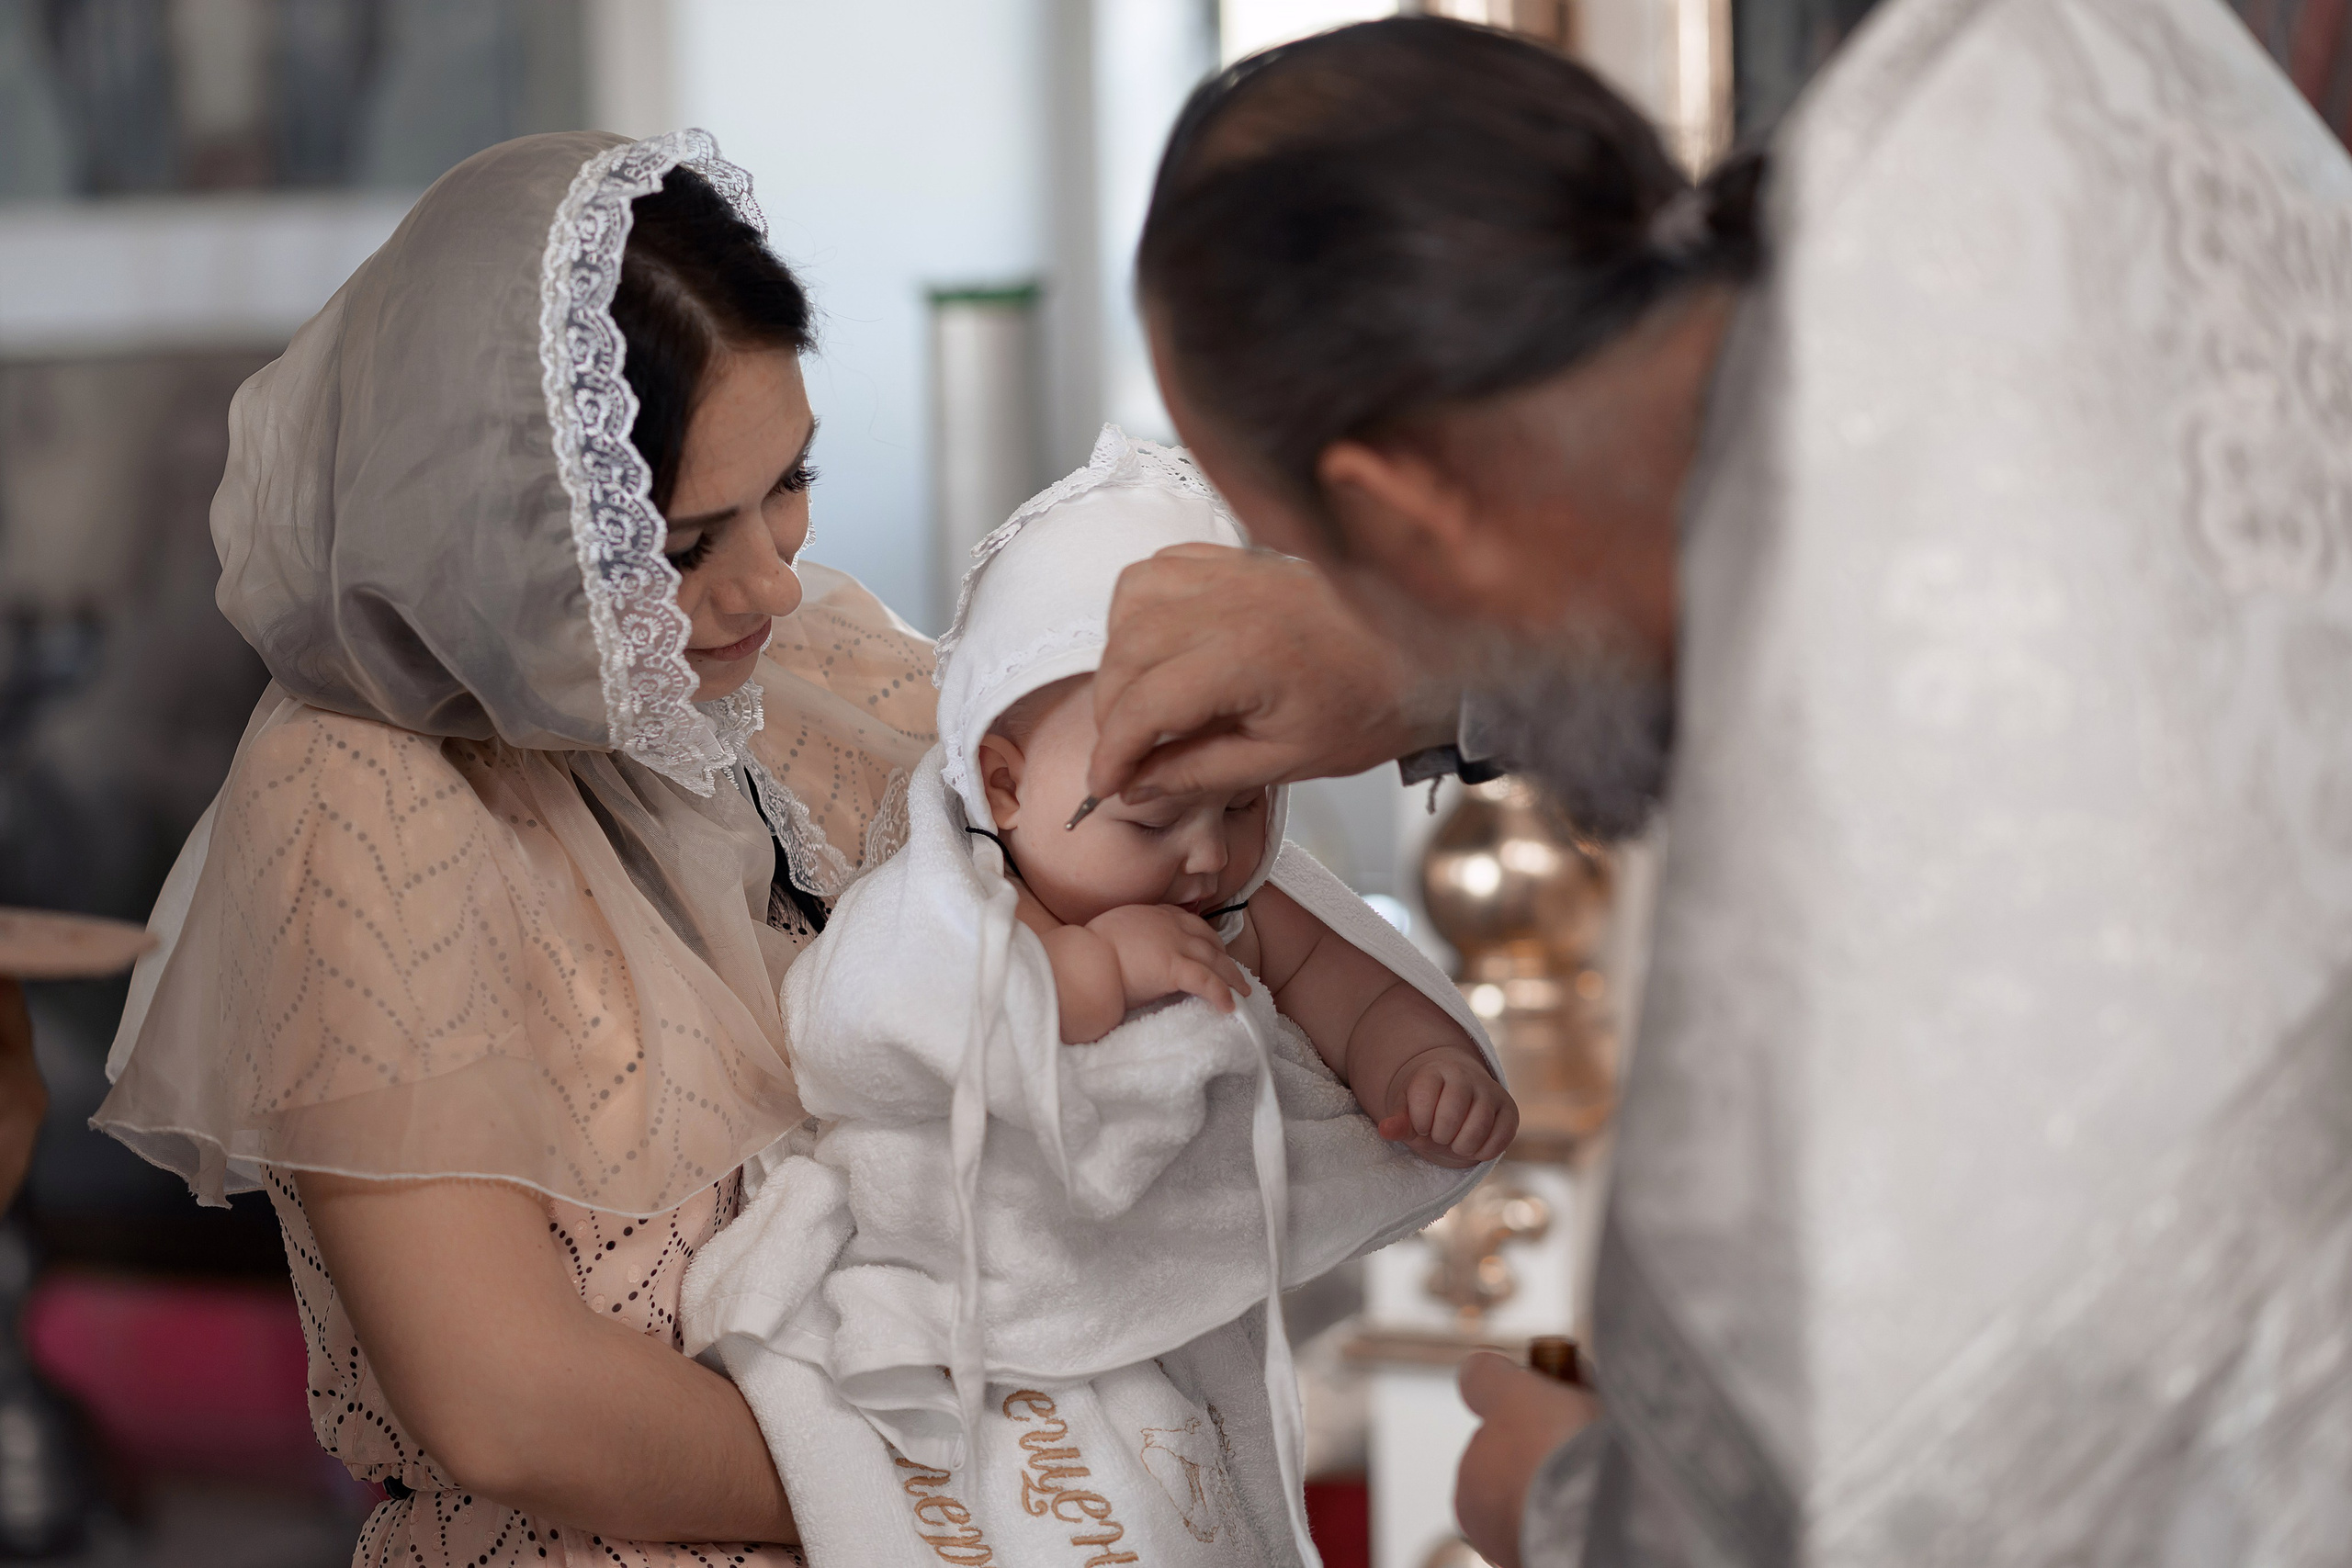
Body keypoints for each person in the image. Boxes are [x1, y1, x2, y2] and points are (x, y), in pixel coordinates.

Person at [1098, 7, 2352, 1565]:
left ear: (1402, 508)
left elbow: (1829, 1498)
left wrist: (1554, 1502)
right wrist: (1434, 668)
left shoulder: (1814, 939)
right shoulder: (2024, 84)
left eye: (1331, 562)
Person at [93, 131, 936, 1566]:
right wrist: (958, 1500)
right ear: (508, 525)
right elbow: (506, 1402)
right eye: (683, 545)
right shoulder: (358, 791)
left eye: (792, 480)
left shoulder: (812, 660)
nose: (771, 582)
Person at [680, 427, 1510, 1567]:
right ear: (1005, 786)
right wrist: (1097, 969)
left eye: (1244, 804)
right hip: (976, 1288)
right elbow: (862, 1028)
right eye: (1155, 817)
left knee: (1204, 1506)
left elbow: (1347, 989)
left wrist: (1422, 1063)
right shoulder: (969, 903)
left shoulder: (1236, 906)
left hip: (1166, 1301)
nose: (1207, 856)